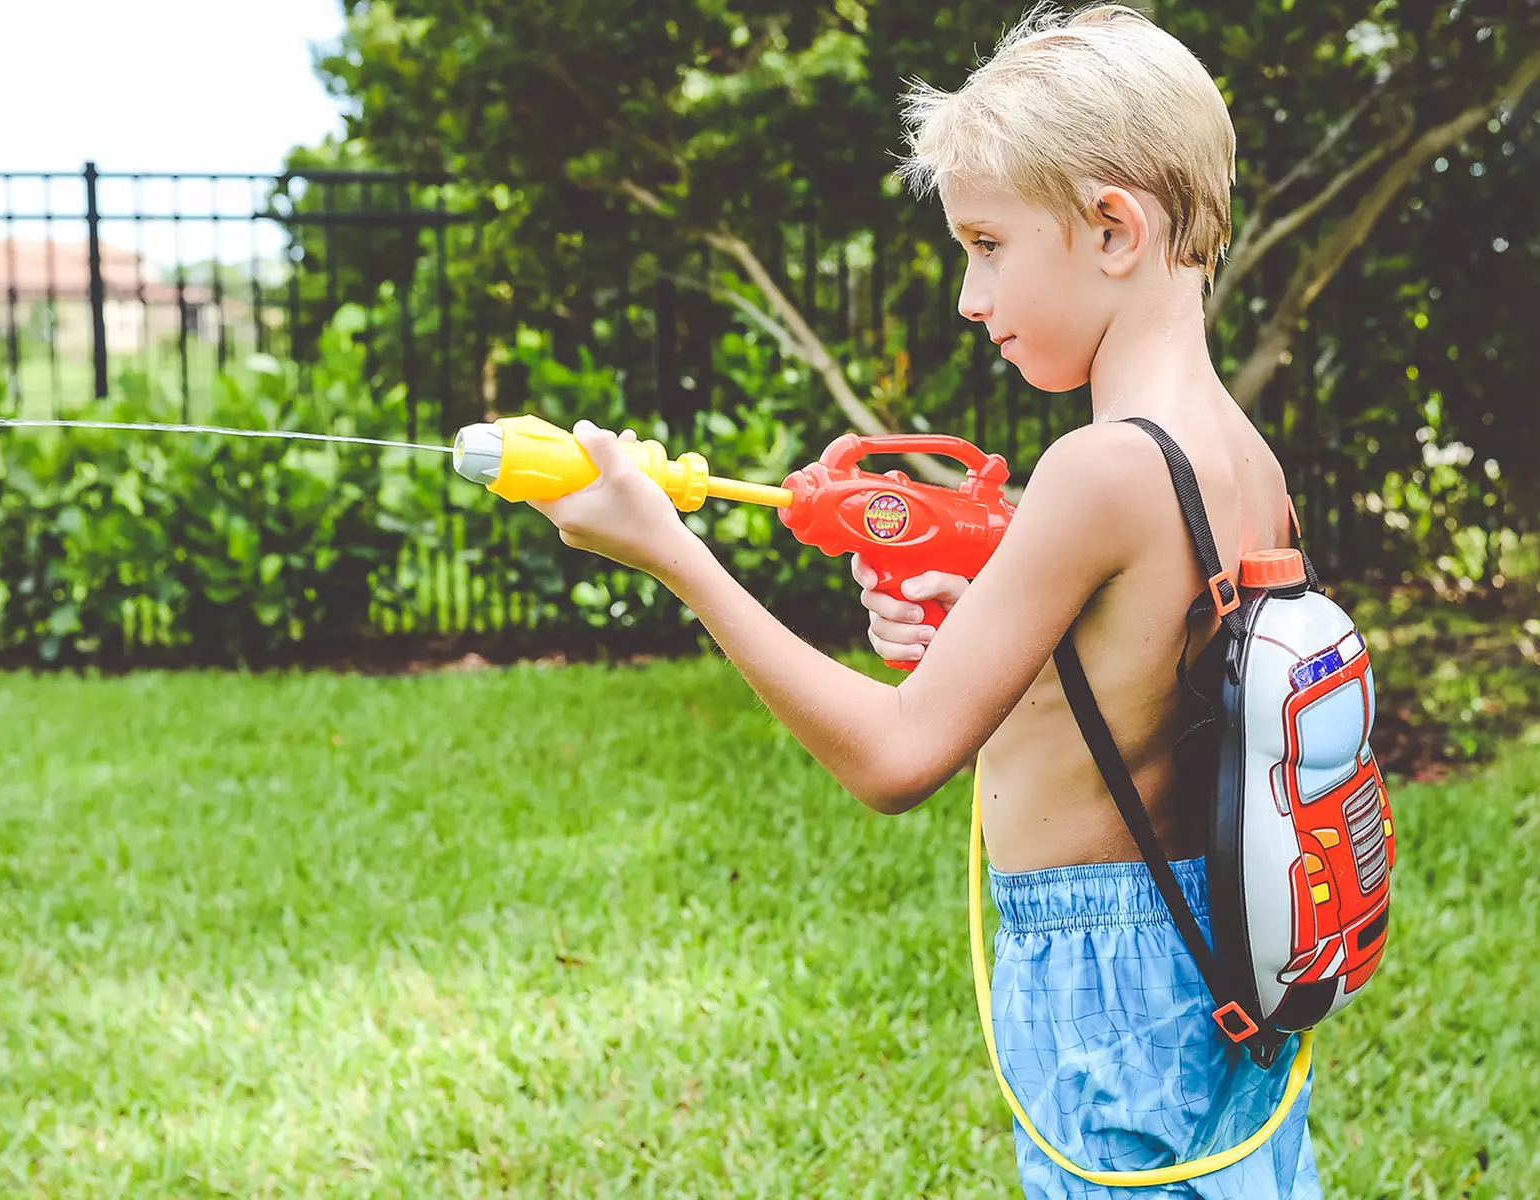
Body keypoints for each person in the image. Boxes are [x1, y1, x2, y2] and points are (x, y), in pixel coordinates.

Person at [525, 5, 1320, 1195]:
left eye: (989, 244)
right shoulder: (1244, 457)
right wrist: (992, 648)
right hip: (1219, 959)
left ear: (1114, 228)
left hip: (1107, 978)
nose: (967, 293)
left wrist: (675, 558)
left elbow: (898, 761)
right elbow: (1163, 705)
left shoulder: (1098, 469)